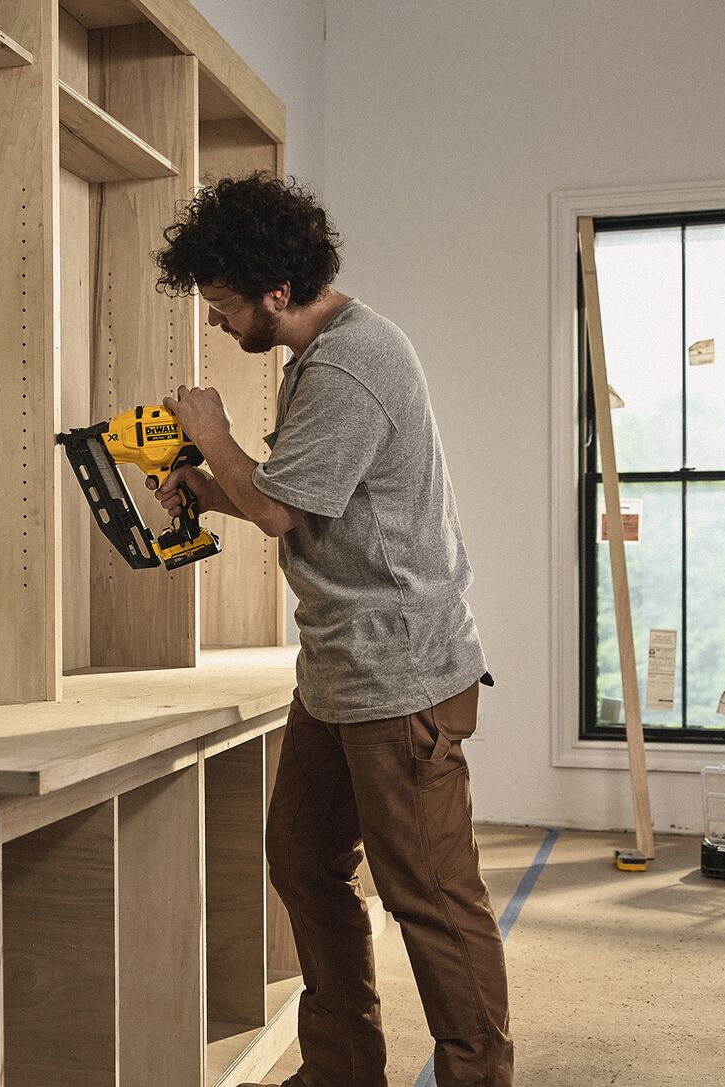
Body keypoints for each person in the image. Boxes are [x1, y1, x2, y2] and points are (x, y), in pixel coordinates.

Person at [150, 173, 510, 1087]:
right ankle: (343, 1070)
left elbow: (276, 511)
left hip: (400, 680)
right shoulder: (323, 357)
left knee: (430, 898)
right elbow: (306, 504)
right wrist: (206, 488)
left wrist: (213, 432)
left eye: (226, 306)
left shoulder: (350, 365)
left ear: (278, 292)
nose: (221, 325)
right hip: (340, 675)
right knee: (304, 859)